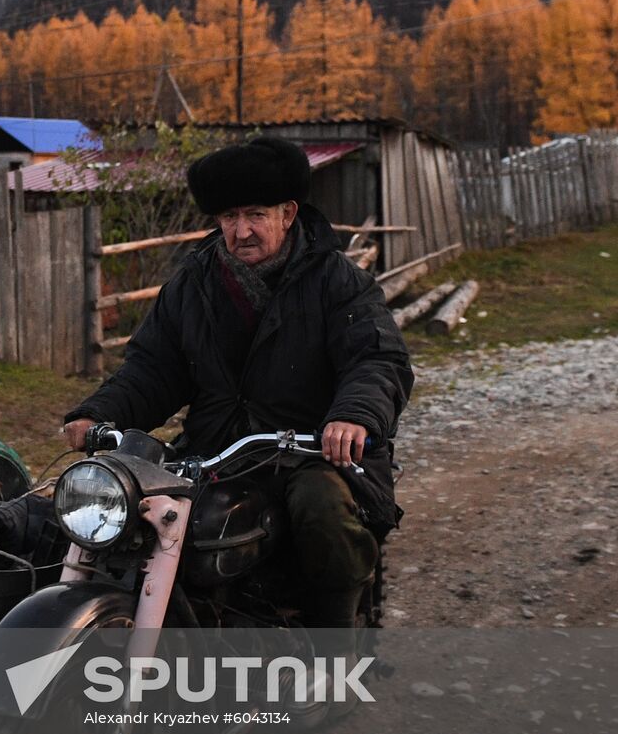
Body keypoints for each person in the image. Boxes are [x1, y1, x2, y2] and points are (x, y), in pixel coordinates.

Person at [61, 136, 414, 630]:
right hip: (216, 451)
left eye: (255, 215)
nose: (241, 231)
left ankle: (335, 637)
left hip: (310, 449)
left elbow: (376, 358)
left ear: (288, 214)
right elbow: (153, 368)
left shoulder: (337, 280)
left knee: (322, 510)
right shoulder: (193, 284)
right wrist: (99, 412)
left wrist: (353, 416)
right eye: (229, 216)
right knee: (126, 512)